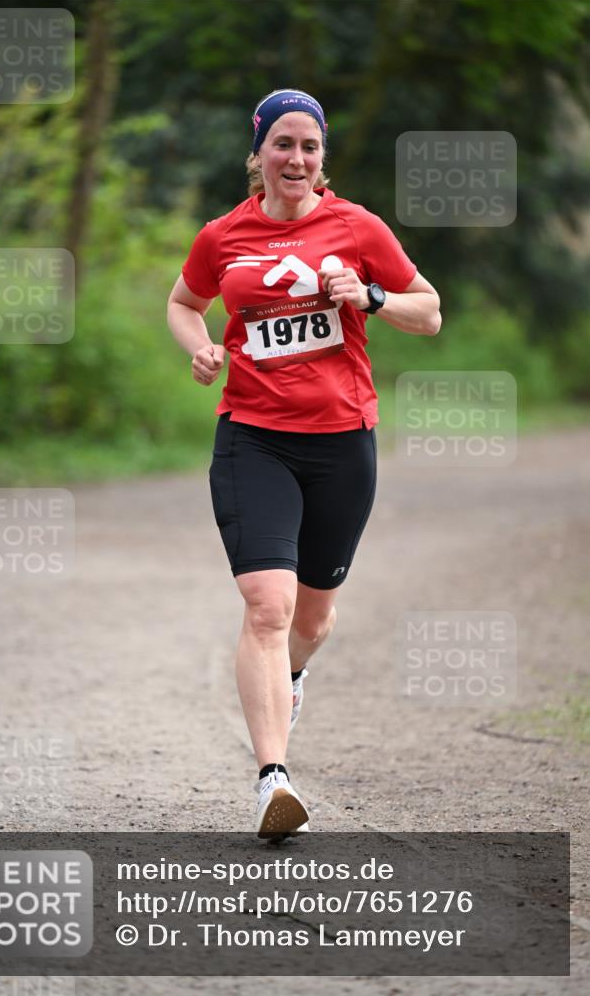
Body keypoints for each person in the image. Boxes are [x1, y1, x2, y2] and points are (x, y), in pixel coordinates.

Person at [167, 88, 441, 840]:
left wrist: (372, 295)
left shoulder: (356, 227)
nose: (296, 158)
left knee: (312, 619)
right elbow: (184, 302)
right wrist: (200, 346)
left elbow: (429, 310)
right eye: (282, 144)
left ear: (322, 159)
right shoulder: (223, 235)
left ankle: (289, 676)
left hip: (342, 441)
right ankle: (273, 779)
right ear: (257, 153)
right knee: (268, 606)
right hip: (252, 437)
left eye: (309, 146)